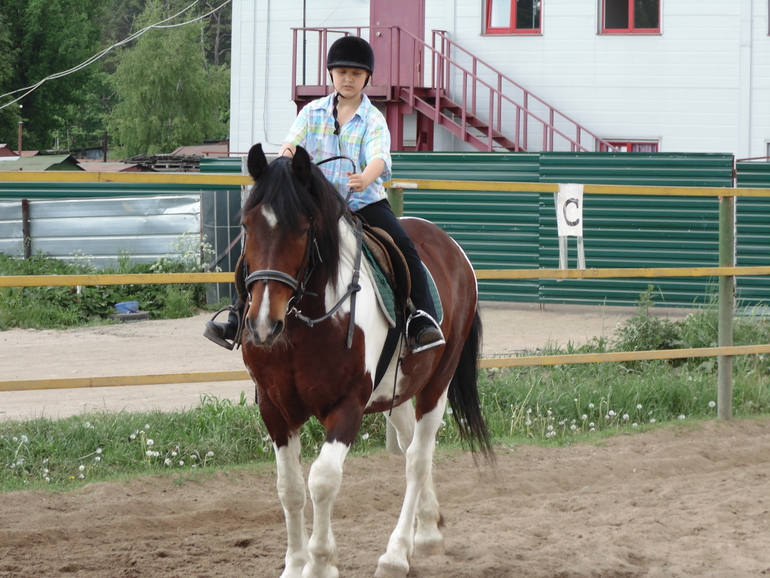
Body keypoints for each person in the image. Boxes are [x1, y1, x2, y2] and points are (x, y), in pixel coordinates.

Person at [205, 35, 444, 353]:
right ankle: (237, 316)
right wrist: (284, 163)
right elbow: (291, 143)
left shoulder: (373, 119)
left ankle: (421, 319)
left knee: (402, 246)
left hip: (363, 203)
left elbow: (380, 158)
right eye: (342, 71)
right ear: (331, 74)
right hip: (316, 207)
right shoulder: (312, 112)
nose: (348, 79)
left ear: (367, 79)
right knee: (268, 246)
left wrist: (364, 177)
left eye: (356, 74)